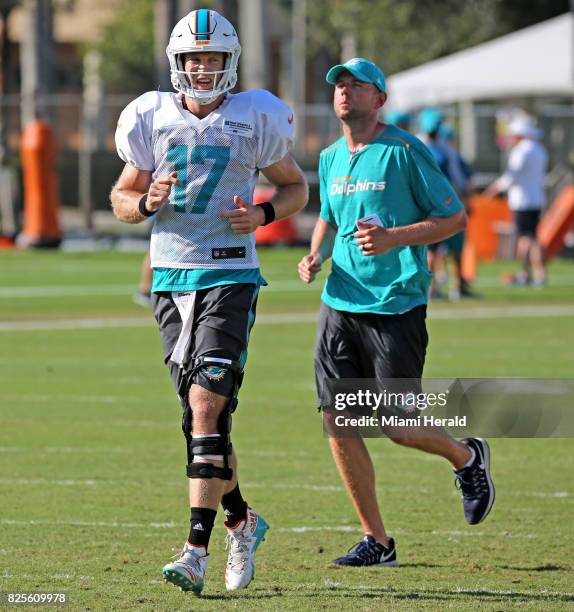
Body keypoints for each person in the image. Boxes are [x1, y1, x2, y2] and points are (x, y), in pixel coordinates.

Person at [111, 8, 308, 594]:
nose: (202, 69)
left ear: (230, 62)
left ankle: (195, 550)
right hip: (171, 278)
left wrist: (265, 213)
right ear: (178, 63)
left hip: (230, 274)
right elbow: (121, 198)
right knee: (202, 419)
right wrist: (146, 202)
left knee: (204, 403)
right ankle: (241, 520)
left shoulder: (255, 116)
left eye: (213, 58)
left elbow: (296, 186)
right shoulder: (150, 114)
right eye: (194, 59)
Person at [298, 58, 495, 567]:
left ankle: (467, 456)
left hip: (395, 304)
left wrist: (393, 239)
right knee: (338, 421)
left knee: (398, 425)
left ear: (379, 99)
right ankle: (376, 540)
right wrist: (317, 253)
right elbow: (327, 215)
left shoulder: (405, 151)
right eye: (339, 84)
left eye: (357, 85)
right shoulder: (329, 157)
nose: (344, 92)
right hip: (339, 303)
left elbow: (453, 217)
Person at [418, 109, 476, 300]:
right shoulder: (422, 147)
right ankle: (435, 287)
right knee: (434, 248)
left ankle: (456, 286)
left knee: (453, 247)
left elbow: (460, 177)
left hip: (447, 204)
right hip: (437, 205)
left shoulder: (439, 148)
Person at [484, 116, 548, 286]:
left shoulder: (522, 151)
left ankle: (529, 273)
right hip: (536, 198)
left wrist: (495, 188)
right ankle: (532, 273)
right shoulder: (539, 149)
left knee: (526, 238)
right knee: (532, 235)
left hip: (522, 200)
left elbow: (512, 176)